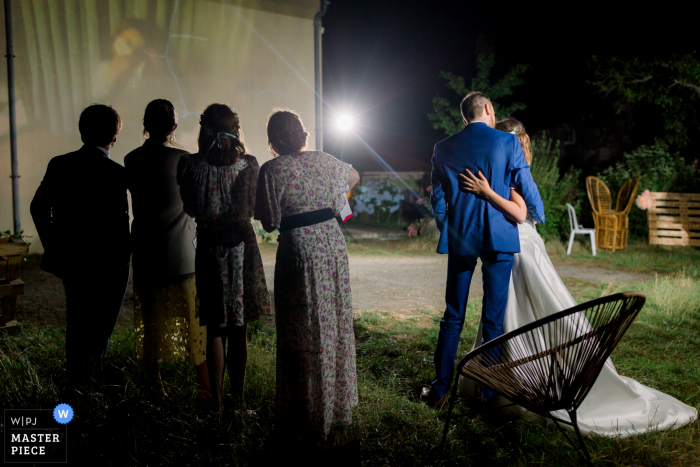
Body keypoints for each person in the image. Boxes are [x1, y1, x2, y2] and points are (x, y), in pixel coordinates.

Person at [458, 117, 698, 436]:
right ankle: (501, 379)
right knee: (507, 310)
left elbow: (517, 212)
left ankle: (519, 379)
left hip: (519, 248)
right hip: (518, 242)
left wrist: (486, 192)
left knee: (525, 308)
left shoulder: (511, 169)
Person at [421, 92, 545, 406]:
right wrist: (539, 213)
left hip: (461, 237)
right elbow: (525, 184)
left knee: (452, 316)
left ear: (465, 117)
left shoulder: (442, 148)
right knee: (492, 319)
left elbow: (438, 199)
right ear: (488, 109)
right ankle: (487, 392)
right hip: (500, 238)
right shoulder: (507, 143)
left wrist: (447, 226)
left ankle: (439, 390)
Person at [255, 109, 361, 443]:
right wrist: (335, 196)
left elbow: (269, 222)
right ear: (302, 134)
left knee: (301, 326)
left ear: (273, 141)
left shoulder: (271, 170)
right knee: (332, 323)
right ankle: (334, 406)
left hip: (299, 248)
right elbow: (354, 175)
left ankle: (303, 409)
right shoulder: (327, 160)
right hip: (331, 242)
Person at [177, 104, 271, 413]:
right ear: (236, 129)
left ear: (203, 131)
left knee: (214, 327)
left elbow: (190, 207)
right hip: (241, 244)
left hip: (208, 243)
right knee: (238, 327)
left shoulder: (189, 165)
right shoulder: (249, 164)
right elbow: (255, 209)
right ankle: (238, 400)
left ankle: (215, 403)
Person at [30, 104, 131, 388]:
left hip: (73, 258)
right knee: (102, 321)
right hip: (109, 260)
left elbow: (39, 207)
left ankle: (78, 377)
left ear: (81, 131)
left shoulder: (59, 164)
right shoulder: (117, 173)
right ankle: (91, 374)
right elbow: (120, 221)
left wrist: (55, 246)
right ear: (114, 138)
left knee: (78, 317)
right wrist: (125, 252)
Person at [124, 99, 209, 399]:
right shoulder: (185, 159)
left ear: (145, 126)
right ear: (174, 126)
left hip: (147, 251)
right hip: (183, 252)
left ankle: (155, 384)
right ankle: (204, 385)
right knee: (194, 321)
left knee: (152, 322)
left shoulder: (131, 159)